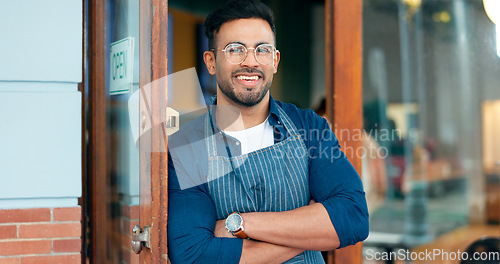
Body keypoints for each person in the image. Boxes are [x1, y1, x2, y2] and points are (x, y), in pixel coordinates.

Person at [167, 0, 369, 263]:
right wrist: (311, 231)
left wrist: (236, 224)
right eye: (235, 49)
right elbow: (194, 255)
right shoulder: (187, 145)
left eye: (262, 50)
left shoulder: (308, 126)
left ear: (274, 61)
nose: (250, 62)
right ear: (211, 61)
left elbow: (353, 217)